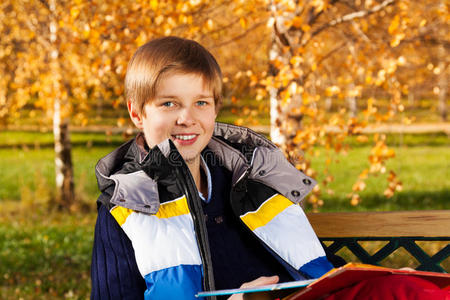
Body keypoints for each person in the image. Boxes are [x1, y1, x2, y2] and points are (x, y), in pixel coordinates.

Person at [90, 37, 449, 300]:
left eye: (201, 102)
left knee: (412, 291)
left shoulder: (252, 176)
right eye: (169, 103)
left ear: (215, 110)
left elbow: (304, 264)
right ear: (137, 113)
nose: (188, 118)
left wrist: (375, 278)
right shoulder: (126, 209)